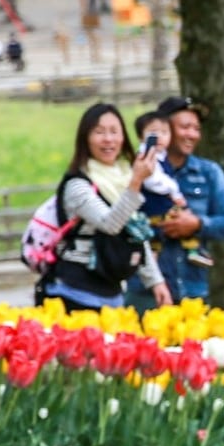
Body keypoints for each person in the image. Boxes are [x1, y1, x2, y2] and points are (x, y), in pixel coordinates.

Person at [43, 102, 173, 312]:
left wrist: (155, 281)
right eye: (99, 132)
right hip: (74, 291)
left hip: (112, 292)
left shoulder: (124, 178)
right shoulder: (78, 185)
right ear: (85, 138)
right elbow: (111, 223)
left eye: (114, 131)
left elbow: (135, 231)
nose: (108, 139)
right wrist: (136, 182)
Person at [124, 96, 224, 311]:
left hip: (192, 289)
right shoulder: (137, 169)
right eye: (185, 127)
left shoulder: (209, 172)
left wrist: (197, 224)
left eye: (196, 129)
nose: (192, 135)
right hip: (145, 290)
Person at [133, 111, 213, 267]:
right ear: (141, 136)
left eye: (164, 132)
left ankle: (158, 257)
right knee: (178, 216)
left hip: (158, 208)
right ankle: (192, 250)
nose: (160, 137)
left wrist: (197, 223)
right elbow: (152, 181)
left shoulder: (161, 156)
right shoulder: (146, 157)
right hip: (154, 207)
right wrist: (173, 189)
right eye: (154, 133)